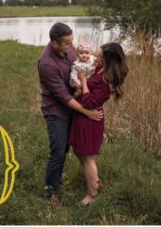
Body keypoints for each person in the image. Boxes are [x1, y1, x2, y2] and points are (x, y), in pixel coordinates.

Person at [37, 22, 102, 208]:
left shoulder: (69, 48)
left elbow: (84, 64)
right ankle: (51, 191)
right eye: (67, 43)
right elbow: (64, 98)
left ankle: (94, 181)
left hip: (74, 106)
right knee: (58, 152)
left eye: (72, 42)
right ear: (55, 43)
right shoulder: (47, 64)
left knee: (78, 148)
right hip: (57, 112)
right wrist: (87, 112)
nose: (71, 46)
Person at [69, 42, 128, 206]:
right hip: (83, 117)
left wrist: (83, 81)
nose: (97, 57)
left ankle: (92, 195)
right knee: (78, 150)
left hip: (90, 119)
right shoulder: (99, 68)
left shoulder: (106, 80)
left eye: (101, 56)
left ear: (109, 61)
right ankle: (96, 181)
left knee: (87, 156)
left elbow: (89, 102)